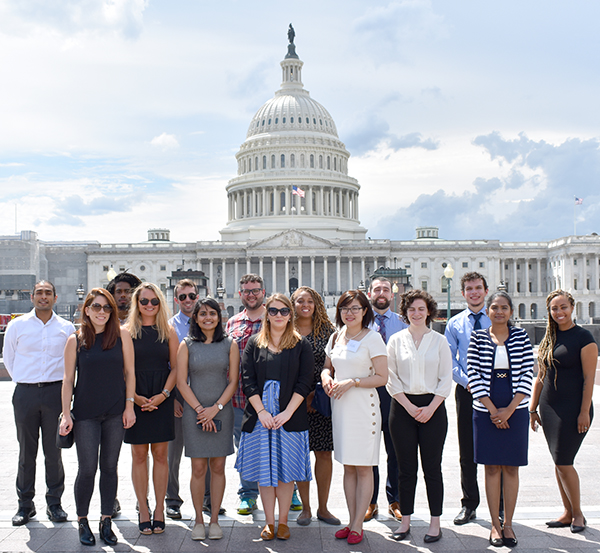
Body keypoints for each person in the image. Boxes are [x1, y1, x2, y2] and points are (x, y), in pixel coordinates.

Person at [59, 289, 136, 546]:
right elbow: (68, 380)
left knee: (110, 468)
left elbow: (130, 373)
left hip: (115, 412)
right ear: (87, 310)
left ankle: (106, 520)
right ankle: (82, 520)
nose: (101, 312)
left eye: (106, 307)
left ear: (112, 311)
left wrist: (129, 406)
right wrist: (66, 414)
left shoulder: (122, 335)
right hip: (85, 415)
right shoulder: (76, 339)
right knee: (88, 469)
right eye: (96, 307)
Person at [235, 294, 314, 541]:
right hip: (260, 416)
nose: (278, 315)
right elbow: (247, 380)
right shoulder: (254, 343)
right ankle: (269, 522)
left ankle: (282, 522)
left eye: (284, 311)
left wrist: (287, 413)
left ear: (290, 314)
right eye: (273, 311)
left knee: (285, 472)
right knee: (264, 472)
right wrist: (261, 412)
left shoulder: (302, 344)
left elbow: (305, 382)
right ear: (266, 314)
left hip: (289, 415)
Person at [3, 280, 75, 527]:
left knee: (53, 452)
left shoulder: (66, 328)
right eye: (39, 293)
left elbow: (71, 365)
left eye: (48, 293)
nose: (43, 297)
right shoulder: (16, 325)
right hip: (25, 394)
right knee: (26, 452)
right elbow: (10, 359)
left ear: (55, 298)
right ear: (31, 296)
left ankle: (54, 504)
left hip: (56, 394)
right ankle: (25, 505)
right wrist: (27, 382)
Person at [321, 290, 388, 546]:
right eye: (345, 308)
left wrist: (353, 382)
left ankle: (358, 523)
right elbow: (328, 366)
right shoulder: (336, 336)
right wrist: (326, 377)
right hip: (341, 406)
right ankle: (351, 520)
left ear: (364, 311)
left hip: (364, 406)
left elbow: (382, 377)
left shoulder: (373, 338)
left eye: (355, 308)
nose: (350, 313)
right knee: (348, 466)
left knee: (363, 466)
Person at [467, 291, 534, 548]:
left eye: (504, 307)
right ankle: (494, 523)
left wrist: (509, 409)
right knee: (492, 467)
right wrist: (493, 409)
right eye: (494, 307)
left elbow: (528, 371)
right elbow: (472, 373)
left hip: (515, 407)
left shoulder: (521, 336)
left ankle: (508, 524)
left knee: (512, 467)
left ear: (511, 311)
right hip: (486, 409)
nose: (499, 311)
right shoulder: (478, 337)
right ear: (487, 311)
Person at [387, 289, 452, 544]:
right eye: (411, 309)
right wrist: (409, 406)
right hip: (401, 407)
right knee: (405, 469)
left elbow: (446, 378)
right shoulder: (395, 340)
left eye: (421, 309)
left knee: (432, 468)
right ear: (405, 312)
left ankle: (435, 522)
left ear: (429, 312)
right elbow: (391, 377)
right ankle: (406, 521)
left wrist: (430, 407)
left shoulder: (439, 340)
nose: (416, 313)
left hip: (433, 407)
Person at [529, 290, 597, 534]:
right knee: (558, 462)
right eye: (554, 308)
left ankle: (578, 514)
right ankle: (567, 512)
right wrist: (532, 408)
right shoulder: (550, 337)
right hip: (549, 407)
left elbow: (589, 379)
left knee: (564, 461)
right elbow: (540, 376)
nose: (559, 312)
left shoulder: (584, 337)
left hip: (574, 408)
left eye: (563, 307)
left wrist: (584, 412)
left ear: (572, 307)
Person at [177, 298, 239, 541]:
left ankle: (214, 519)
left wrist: (216, 408)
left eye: (212, 313)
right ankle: (199, 520)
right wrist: (201, 410)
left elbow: (233, 380)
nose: (208, 318)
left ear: (218, 316)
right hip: (195, 412)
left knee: (218, 467)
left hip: (221, 410)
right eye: (202, 314)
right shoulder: (187, 345)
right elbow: (181, 382)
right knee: (198, 467)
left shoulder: (229, 344)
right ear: (196, 318)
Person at [124, 283, 179, 535]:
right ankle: (143, 509)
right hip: (135, 397)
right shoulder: (126, 332)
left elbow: (176, 368)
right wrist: (133, 397)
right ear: (136, 303)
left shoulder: (168, 330)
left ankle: (159, 509)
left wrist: (164, 395)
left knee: (160, 456)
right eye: (144, 301)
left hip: (161, 396)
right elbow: (122, 369)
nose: (149, 305)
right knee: (138, 456)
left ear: (160, 304)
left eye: (154, 301)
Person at [444, 272, 490, 525]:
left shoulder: (497, 318)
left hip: (497, 391)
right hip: (467, 391)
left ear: (485, 290)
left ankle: (501, 505)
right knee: (467, 450)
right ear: (463, 293)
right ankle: (469, 503)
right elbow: (450, 359)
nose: (474, 292)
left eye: (478, 288)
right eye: (469, 289)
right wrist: (468, 382)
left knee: (497, 449)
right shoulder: (455, 323)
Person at [291, 286, 339, 527]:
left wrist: (314, 394)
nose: (305, 305)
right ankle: (305, 508)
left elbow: (333, 366)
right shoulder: (285, 330)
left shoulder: (330, 332)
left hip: (320, 400)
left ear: (317, 303)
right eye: (300, 301)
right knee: (300, 455)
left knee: (323, 453)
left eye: (310, 301)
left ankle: (323, 507)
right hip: (293, 402)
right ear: (293, 304)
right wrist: (301, 396)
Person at [367, 277, 408, 522]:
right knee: (368, 452)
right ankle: (370, 501)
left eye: (385, 289)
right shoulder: (359, 323)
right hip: (368, 393)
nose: (381, 293)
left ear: (391, 295)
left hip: (394, 393)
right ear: (369, 293)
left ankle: (395, 500)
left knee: (396, 451)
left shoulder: (403, 324)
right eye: (376, 289)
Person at [225, 274, 264, 515]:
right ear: (240, 294)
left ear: (263, 292)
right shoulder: (232, 323)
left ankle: (288, 491)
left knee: (277, 444)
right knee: (246, 448)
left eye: (255, 290)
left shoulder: (274, 317)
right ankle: (248, 494)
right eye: (246, 291)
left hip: (271, 397)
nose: (251, 294)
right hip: (240, 398)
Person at [106, 270, 141, 518]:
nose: (123, 296)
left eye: (128, 291)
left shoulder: (141, 323)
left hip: (139, 394)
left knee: (141, 452)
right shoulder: (103, 322)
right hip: (110, 394)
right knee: (110, 455)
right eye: (118, 291)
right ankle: (112, 498)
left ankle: (143, 498)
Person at [166, 278, 199, 521]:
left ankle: (209, 499)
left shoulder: (208, 321)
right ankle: (172, 500)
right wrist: (173, 397)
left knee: (206, 451)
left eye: (191, 295)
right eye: (183, 296)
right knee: (172, 453)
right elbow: (168, 365)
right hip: (178, 395)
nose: (188, 300)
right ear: (176, 299)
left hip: (205, 394)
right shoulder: (168, 327)